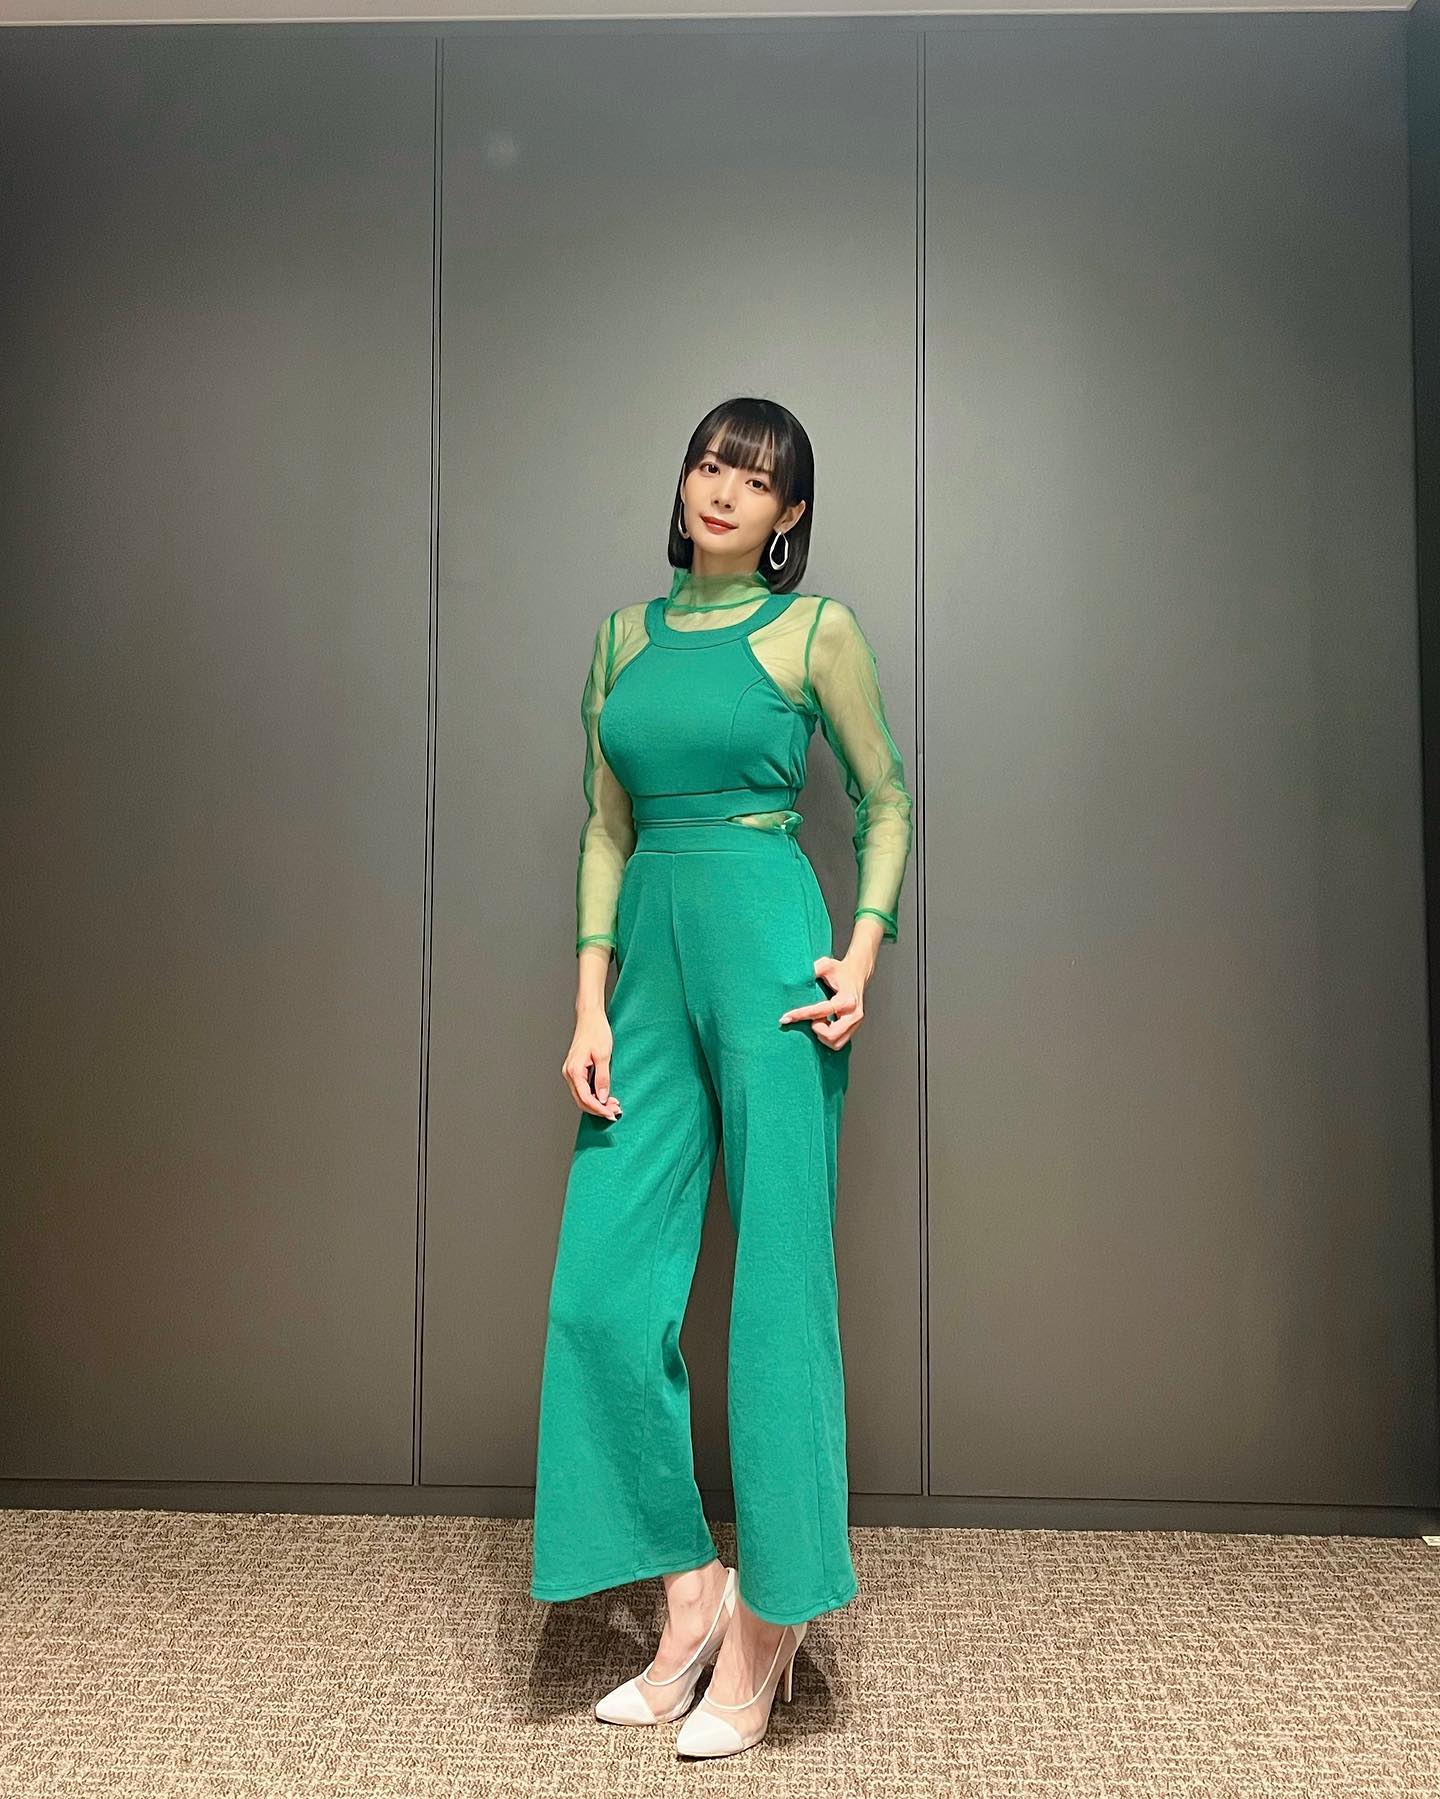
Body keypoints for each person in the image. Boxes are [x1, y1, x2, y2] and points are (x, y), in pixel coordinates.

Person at [529, 396, 914, 1759]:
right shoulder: (620, 639)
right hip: (644, 962)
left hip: (769, 950)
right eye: (709, 464)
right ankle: (692, 1592)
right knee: (602, 1294)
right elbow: (604, 826)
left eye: (755, 480)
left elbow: (886, 798)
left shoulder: (817, 632)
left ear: (788, 515)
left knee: (778, 1295)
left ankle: (772, 1625)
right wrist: (589, 1004)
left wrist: (860, 953)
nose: (724, 490)